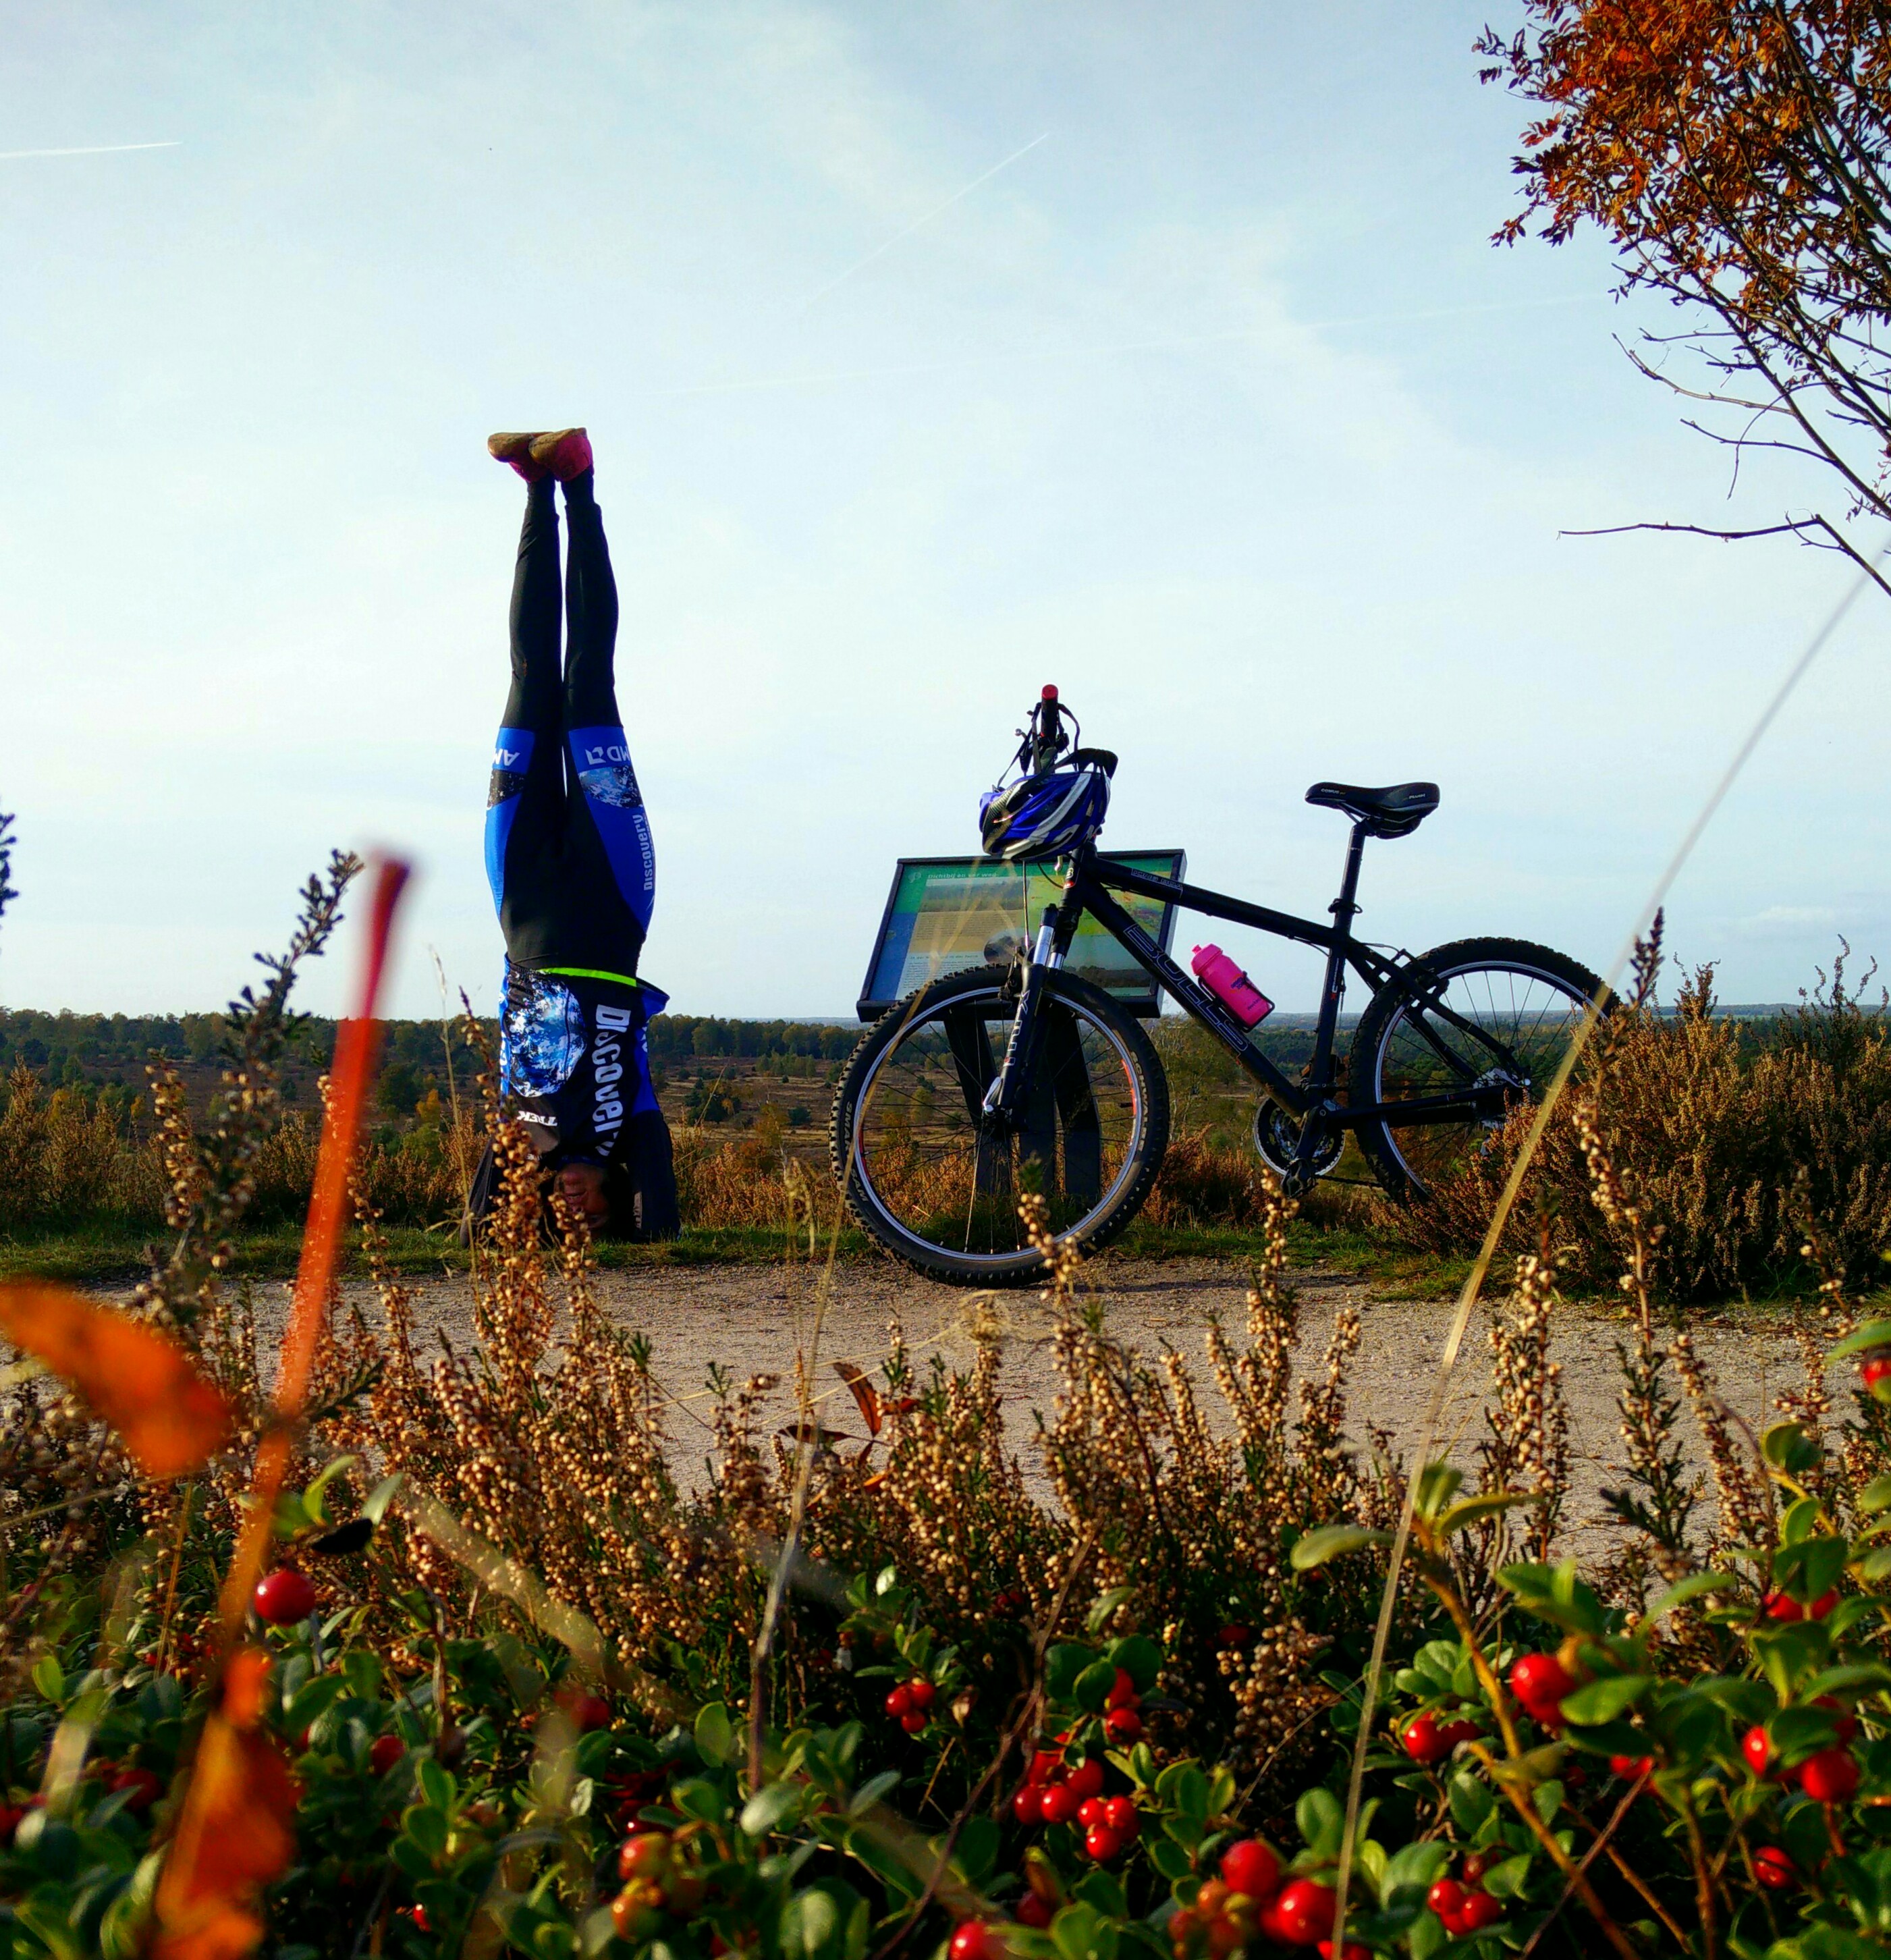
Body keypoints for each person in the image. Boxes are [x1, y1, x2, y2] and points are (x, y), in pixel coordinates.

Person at [466, 427, 680, 1240]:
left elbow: (478, 1227)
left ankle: (531, 489)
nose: (575, 1209)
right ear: (619, 1196)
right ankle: (580, 483)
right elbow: (661, 1222)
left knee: (528, 679)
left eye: (564, 1221)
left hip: (520, 898)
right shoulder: (630, 1127)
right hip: (610, 895)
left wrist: (508, 1221)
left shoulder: (523, 1139)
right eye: (595, 1218)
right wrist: (649, 1230)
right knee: (588, 677)